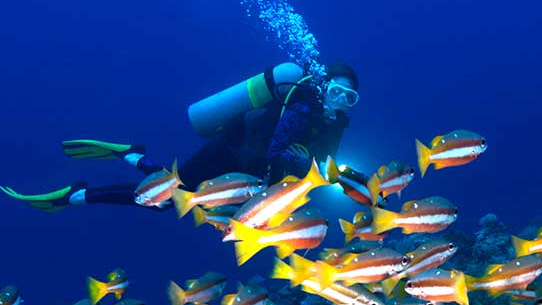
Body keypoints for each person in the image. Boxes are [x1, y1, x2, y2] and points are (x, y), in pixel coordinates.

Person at [1, 62, 360, 210]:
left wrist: (350, 180)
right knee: (165, 198)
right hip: (230, 154)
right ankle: (76, 195)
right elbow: (279, 149)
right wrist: (307, 167)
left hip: (249, 177)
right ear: (322, 86)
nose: (340, 102)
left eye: (349, 98)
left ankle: (132, 155)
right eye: (336, 92)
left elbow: (324, 164)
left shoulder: (335, 124)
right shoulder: (299, 105)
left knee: (171, 192)